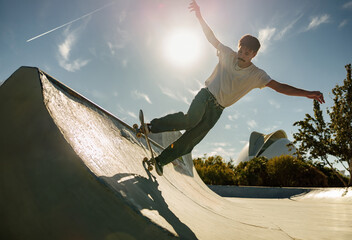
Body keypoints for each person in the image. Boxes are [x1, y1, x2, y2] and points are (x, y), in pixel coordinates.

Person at [143, 0, 325, 176]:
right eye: (241, 50)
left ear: (254, 55)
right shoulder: (228, 54)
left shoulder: (257, 75)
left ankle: (160, 161)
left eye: (247, 53)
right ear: (238, 48)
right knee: (190, 120)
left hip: (218, 110)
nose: (241, 55)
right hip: (206, 96)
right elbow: (211, 37)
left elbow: (279, 87)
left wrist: (307, 93)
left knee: (191, 141)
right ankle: (151, 127)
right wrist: (199, 16)